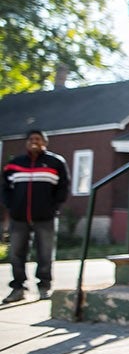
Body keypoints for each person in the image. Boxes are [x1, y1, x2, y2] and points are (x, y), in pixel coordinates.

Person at [2, 130, 69, 303]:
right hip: (19, 217)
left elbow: (63, 187)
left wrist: (53, 207)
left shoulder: (56, 162)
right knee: (16, 253)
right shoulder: (15, 164)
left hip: (45, 216)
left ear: (45, 143)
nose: (34, 142)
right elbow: (5, 187)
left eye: (38, 139)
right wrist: (11, 205)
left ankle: (44, 286)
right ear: (26, 143)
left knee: (45, 253)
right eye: (31, 139)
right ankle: (18, 288)